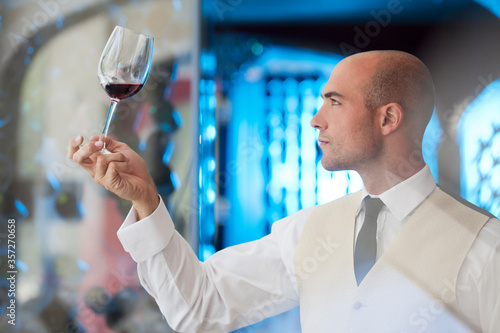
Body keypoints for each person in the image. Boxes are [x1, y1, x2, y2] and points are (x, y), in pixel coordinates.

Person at [68, 50, 500, 333]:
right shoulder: (310, 231)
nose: (316, 119)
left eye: (334, 102)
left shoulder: (485, 247)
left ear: (388, 119)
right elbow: (199, 307)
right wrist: (145, 199)